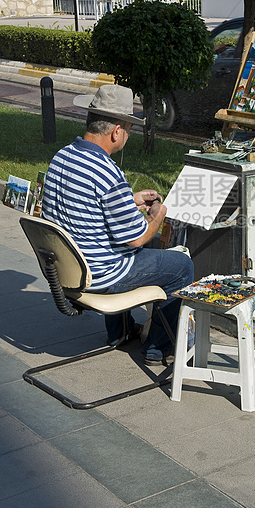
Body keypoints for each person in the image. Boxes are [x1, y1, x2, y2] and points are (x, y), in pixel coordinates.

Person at [41, 84, 194, 366]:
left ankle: (120, 332)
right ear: (116, 131)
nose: (128, 136)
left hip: (67, 271)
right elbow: (136, 239)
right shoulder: (108, 173)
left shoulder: (61, 157)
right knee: (181, 267)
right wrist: (158, 215)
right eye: (129, 129)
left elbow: (89, 205)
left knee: (113, 246)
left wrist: (129, 200)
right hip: (100, 276)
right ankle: (158, 347)